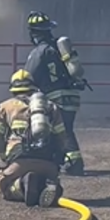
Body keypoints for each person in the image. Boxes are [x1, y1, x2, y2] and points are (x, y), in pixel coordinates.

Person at [0, 70, 79, 207]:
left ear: (13, 89)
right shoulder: (51, 107)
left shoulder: (5, 107)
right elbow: (63, 137)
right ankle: (49, 185)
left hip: (19, 162)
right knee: (46, 180)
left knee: (3, 184)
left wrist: (4, 156)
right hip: (47, 162)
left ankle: (22, 185)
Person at [22, 11, 87, 175]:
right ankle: (59, 158)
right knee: (61, 128)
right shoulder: (59, 48)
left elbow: (29, 75)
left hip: (56, 97)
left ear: (34, 33)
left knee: (63, 129)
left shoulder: (39, 52)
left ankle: (75, 163)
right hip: (72, 95)